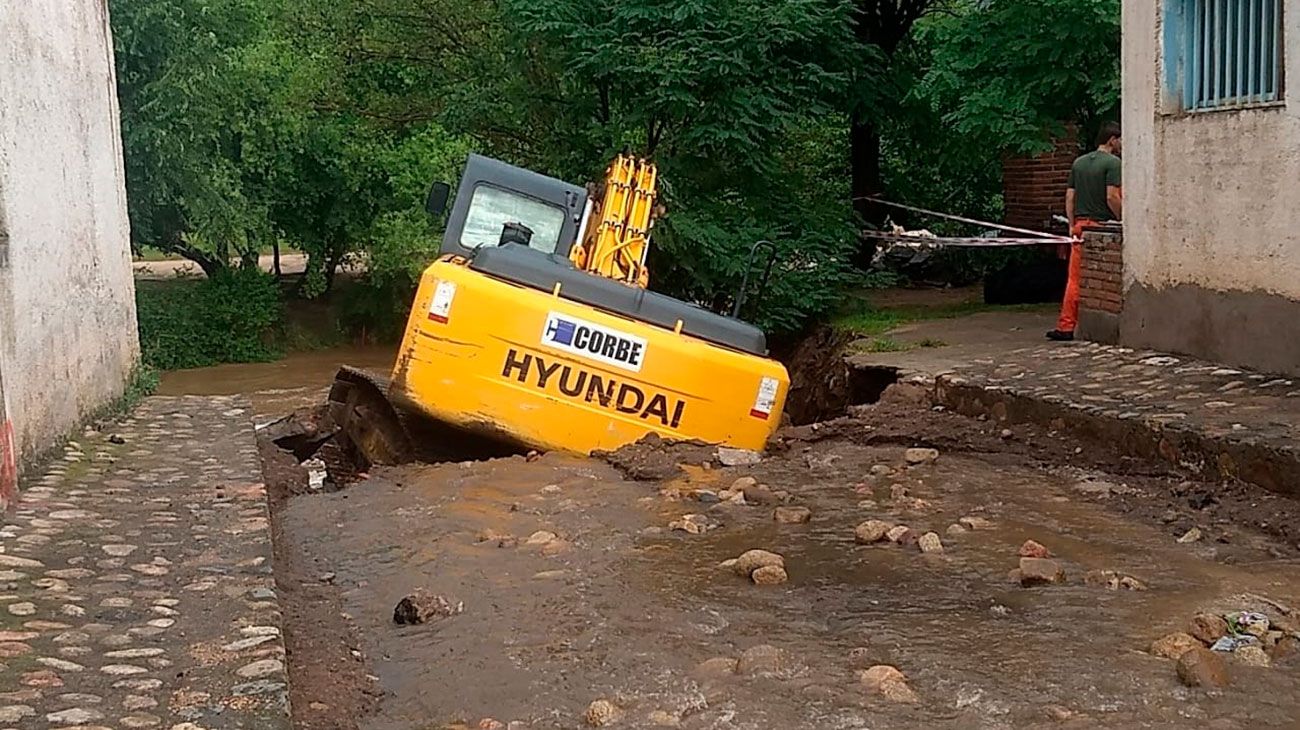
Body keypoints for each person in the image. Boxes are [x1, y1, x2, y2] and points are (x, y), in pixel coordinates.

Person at [1047, 122, 1122, 341]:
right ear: (1112, 140)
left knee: (1074, 279)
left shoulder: (1078, 163)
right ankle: (1076, 326)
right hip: (1101, 225)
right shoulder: (1113, 163)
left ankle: (1066, 324)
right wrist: (1123, 218)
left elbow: (1070, 197)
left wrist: (1071, 224)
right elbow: (1112, 196)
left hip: (1080, 226)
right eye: (1120, 140)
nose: (1122, 144)